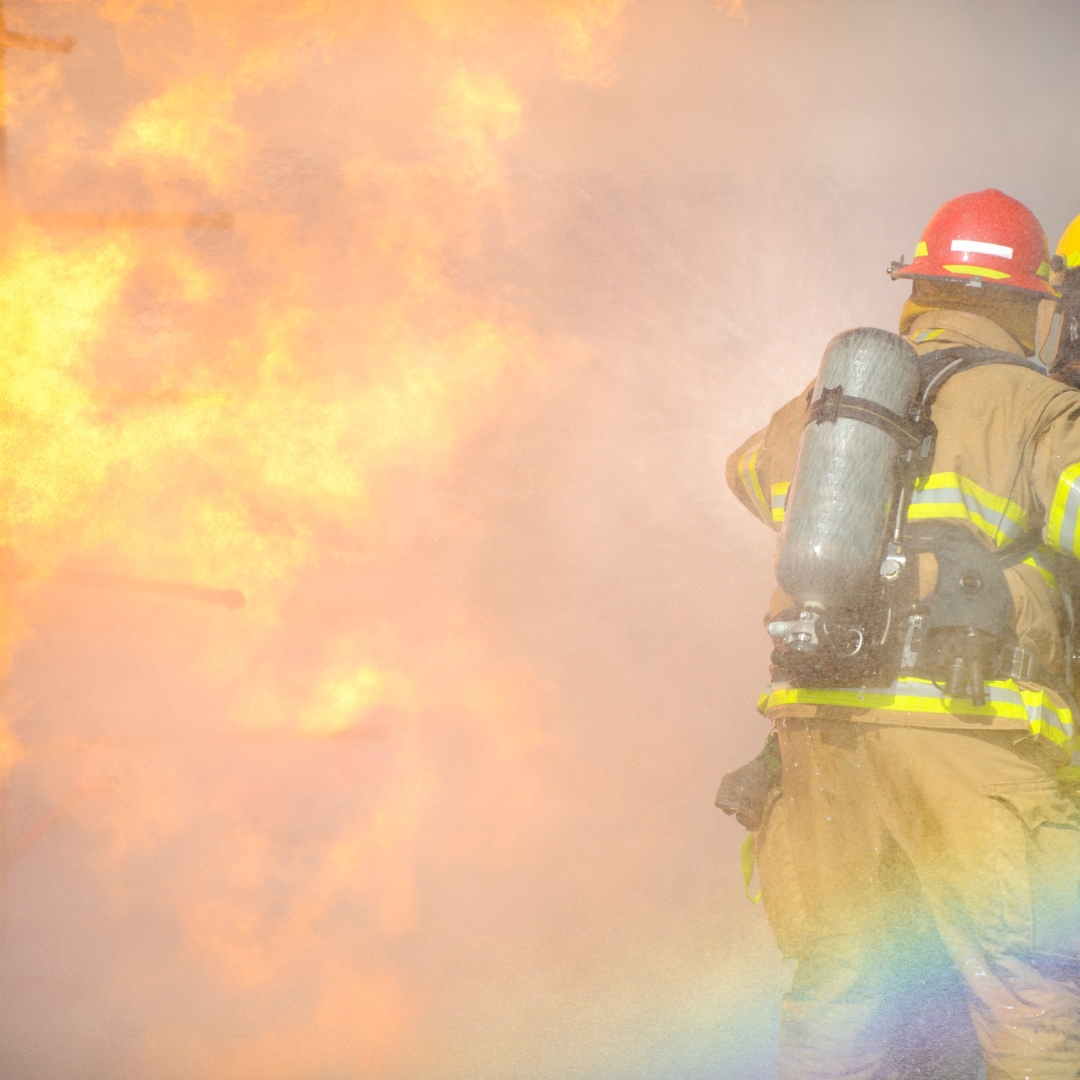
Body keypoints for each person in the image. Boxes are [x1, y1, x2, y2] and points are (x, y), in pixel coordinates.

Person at [723, 189, 1080, 1080]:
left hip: (821, 731)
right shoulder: (1034, 406)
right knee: (1026, 992)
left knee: (841, 984)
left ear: (919, 288)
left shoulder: (831, 403)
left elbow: (748, 475)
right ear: (1028, 303)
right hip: (968, 731)